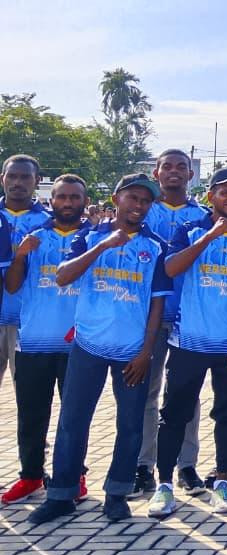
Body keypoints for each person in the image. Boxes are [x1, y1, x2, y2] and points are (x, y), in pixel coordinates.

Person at [30, 174, 171, 524]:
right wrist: (103, 246)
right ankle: (61, 495)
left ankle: (117, 494)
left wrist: (146, 352)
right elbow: (63, 276)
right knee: (73, 421)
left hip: (132, 351)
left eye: (145, 201)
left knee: (130, 424)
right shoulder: (89, 236)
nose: (139, 205)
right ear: (116, 198)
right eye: (132, 198)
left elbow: (157, 304)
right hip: (88, 345)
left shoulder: (156, 246)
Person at [147, 166, 227, 517]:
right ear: (211, 195)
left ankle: (223, 482)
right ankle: (164, 486)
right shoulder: (189, 230)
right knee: (174, 414)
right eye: (225, 192)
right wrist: (210, 236)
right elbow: (171, 269)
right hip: (189, 342)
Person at [2, 175, 88, 505]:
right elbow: (12, 287)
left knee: (74, 416)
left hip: (79, 343)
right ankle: (30, 476)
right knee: (31, 414)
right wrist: (20, 256)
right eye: (62, 197)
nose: (68, 203)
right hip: (33, 340)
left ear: (84, 201)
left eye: (74, 197)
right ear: (51, 201)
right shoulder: (34, 236)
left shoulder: (94, 238)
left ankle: (74, 476)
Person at [135, 149, 208, 497]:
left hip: (187, 318)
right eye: (168, 166)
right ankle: (143, 464)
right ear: (156, 172)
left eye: (182, 166)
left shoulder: (204, 216)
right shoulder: (143, 211)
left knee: (185, 396)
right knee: (145, 393)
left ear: (191, 175)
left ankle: (186, 465)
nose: (175, 171)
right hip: (147, 316)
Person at [0, 155, 53, 391]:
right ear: (2, 179)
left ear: (37, 180)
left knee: (27, 396)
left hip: (28, 323)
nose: (17, 182)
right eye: (12, 176)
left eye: (25, 177)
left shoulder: (49, 223)